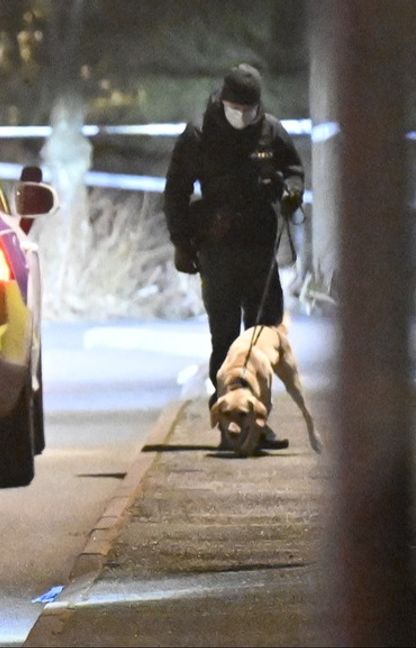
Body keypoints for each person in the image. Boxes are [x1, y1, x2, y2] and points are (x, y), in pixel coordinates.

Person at [162, 63, 304, 450]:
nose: (242, 115)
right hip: (218, 248)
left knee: (263, 333)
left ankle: (259, 418)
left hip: (260, 246)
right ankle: (228, 415)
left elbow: (293, 169)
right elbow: (175, 191)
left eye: (249, 108)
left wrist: (291, 191)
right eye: (235, 106)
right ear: (223, 101)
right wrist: (181, 242)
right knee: (224, 336)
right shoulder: (199, 134)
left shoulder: (271, 131)